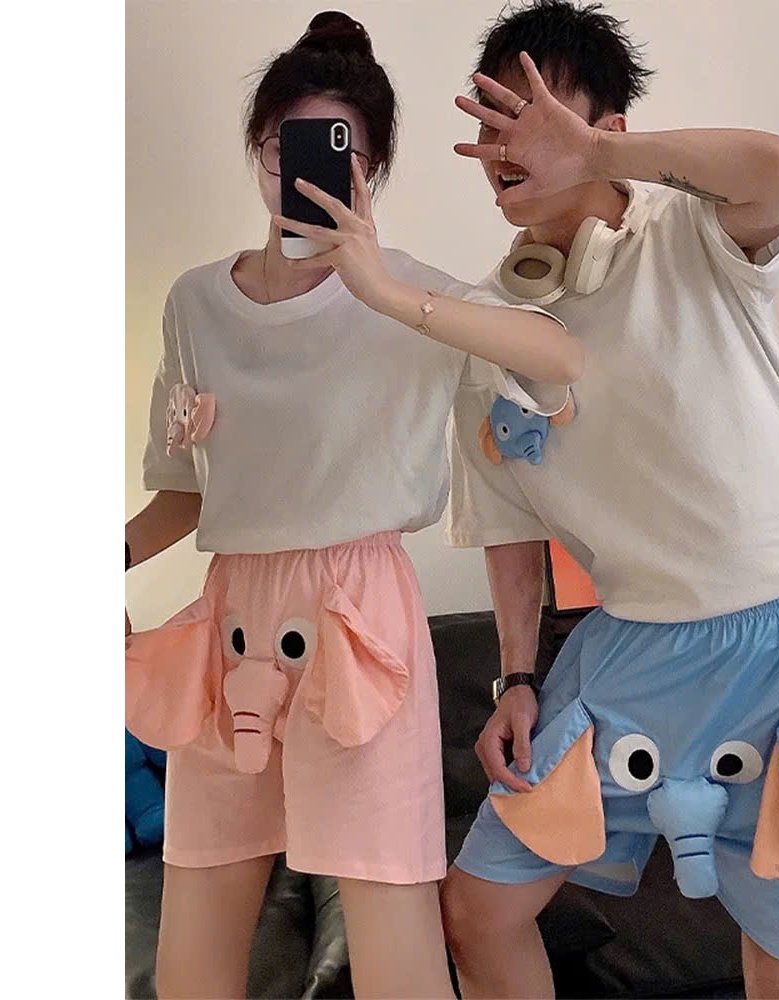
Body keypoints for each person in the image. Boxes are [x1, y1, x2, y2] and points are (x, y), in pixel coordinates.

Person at [124, 11, 583, 999]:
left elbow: (557, 360)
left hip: (358, 617)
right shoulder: (194, 302)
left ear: (369, 171)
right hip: (230, 621)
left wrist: (379, 287)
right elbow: (185, 491)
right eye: (284, 146)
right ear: (259, 149)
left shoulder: (409, 296)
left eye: (342, 154)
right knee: (194, 942)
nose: (305, 172)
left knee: (394, 942)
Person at [439, 2, 779, 998]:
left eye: (537, 118)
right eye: (495, 119)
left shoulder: (693, 228)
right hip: (637, 644)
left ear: (608, 130)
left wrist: (596, 157)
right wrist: (516, 679)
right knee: (481, 905)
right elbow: (507, 523)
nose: (508, 145)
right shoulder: (487, 317)